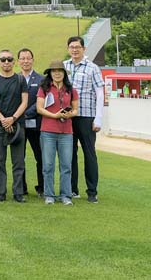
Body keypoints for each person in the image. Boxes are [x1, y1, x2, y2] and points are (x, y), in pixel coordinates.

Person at [64, 36, 104, 203]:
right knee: (69, 154)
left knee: (89, 153)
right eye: (72, 47)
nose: (75, 50)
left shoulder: (92, 68)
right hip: (68, 117)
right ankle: (72, 190)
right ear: (68, 49)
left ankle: (92, 192)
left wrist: (98, 118)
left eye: (78, 47)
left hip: (86, 116)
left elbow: (100, 93)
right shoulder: (64, 67)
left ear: (83, 49)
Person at [0, 49, 29, 203]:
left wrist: (13, 118)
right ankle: (1, 192)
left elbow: (24, 102)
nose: (6, 62)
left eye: (9, 59)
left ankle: (18, 193)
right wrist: (3, 120)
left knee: (18, 161)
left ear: (14, 62)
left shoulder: (20, 80)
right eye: (3, 59)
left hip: (17, 125)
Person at [36, 60, 79, 205]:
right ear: (50, 74)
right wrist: (55, 115)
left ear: (64, 73)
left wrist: (70, 114)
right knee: (48, 165)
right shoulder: (44, 89)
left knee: (66, 166)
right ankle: (49, 195)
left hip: (66, 132)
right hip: (48, 131)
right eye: (54, 71)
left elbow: (76, 109)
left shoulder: (71, 90)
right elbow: (39, 108)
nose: (57, 73)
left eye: (60, 71)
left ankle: (66, 196)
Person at [18, 48, 45, 198]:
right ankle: (21, 188)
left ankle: (42, 188)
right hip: (19, 125)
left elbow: (42, 101)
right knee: (19, 158)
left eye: (28, 58)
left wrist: (26, 113)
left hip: (37, 125)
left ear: (33, 60)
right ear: (18, 61)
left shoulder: (42, 80)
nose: (25, 61)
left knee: (40, 157)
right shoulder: (14, 79)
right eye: (22, 58)